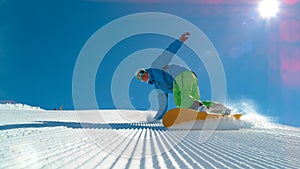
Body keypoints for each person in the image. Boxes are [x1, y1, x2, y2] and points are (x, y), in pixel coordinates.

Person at [135, 32, 230, 120]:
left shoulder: (155, 67)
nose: (143, 77)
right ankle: (220, 109)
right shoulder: (158, 87)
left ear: (145, 71)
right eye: (141, 78)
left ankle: (199, 108)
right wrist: (157, 118)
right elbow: (163, 104)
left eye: (142, 73)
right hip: (191, 79)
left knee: (182, 100)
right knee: (191, 102)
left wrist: (180, 41)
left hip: (180, 76)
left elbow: (167, 53)